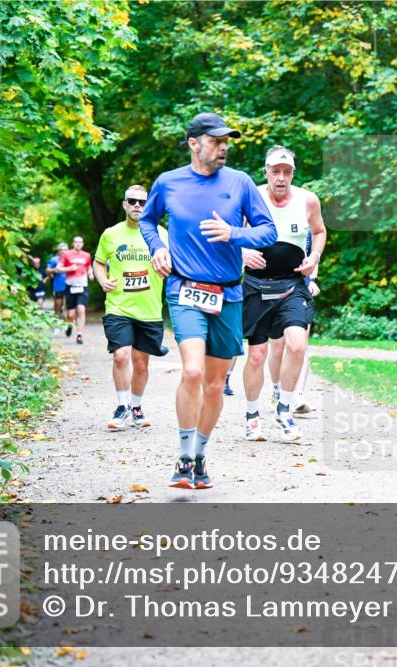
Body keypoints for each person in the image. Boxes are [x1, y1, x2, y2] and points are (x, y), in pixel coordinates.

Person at [139, 112, 277, 490]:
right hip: (184, 290)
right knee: (193, 372)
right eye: (216, 141)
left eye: (226, 142)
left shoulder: (241, 183)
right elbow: (147, 221)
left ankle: (200, 455)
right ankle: (183, 457)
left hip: (229, 293)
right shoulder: (169, 183)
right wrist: (157, 248)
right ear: (194, 144)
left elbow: (268, 232)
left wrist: (233, 233)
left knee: (215, 385)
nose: (223, 148)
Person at [241, 145, 326, 442]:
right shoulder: (250, 196)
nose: (281, 178)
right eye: (275, 172)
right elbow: (231, 232)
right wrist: (242, 253)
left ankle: (285, 410)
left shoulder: (307, 200)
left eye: (286, 172)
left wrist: (313, 257)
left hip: (292, 286)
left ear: (293, 174)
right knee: (256, 356)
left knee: (298, 346)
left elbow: (319, 231)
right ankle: (252, 417)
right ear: (265, 172)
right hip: (256, 286)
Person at [94, 184, 171, 430]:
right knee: (121, 355)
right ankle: (122, 405)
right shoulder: (111, 234)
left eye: (142, 202)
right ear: (125, 204)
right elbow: (98, 263)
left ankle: (136, 407)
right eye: (132, 201)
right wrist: (102, 280)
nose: (137, 205)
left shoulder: (161, 233)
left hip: (149, 309)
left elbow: (175, 261)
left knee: (141, 362)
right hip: (119, 307)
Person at [266, 228, 321, 414]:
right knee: (277, 346)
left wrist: (312, 279)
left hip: (301, 288)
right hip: (274, 286)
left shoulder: (309, 219)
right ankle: (275, 390)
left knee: (299, 345)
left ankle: (297, 394)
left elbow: (314, 253)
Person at [55, 236, 94, 344]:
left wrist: (90, 274)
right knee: (70, 314)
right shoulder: (67, 254)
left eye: (80, 242)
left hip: (82, 286)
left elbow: (89, 267)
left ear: (82, 244)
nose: (78, 244)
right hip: (70, 286)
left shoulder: (86, 255)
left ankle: (79, 335)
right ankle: (69, 325)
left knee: (81, 309)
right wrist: (69, 269)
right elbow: (58, 268)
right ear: (73, 243)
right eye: (76, 242)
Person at [47, 242, 73, 336]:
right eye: (61, 250)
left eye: (65, 249)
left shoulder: (71, 259)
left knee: (68, 307)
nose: (63, 251)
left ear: (68, 250)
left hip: (70, 285)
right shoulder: (54, 259)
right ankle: (56, 326)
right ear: (58, 251)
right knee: (58, 307)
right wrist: (55, 270)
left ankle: (68, 325)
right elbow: (47, 270)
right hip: (58, 286)